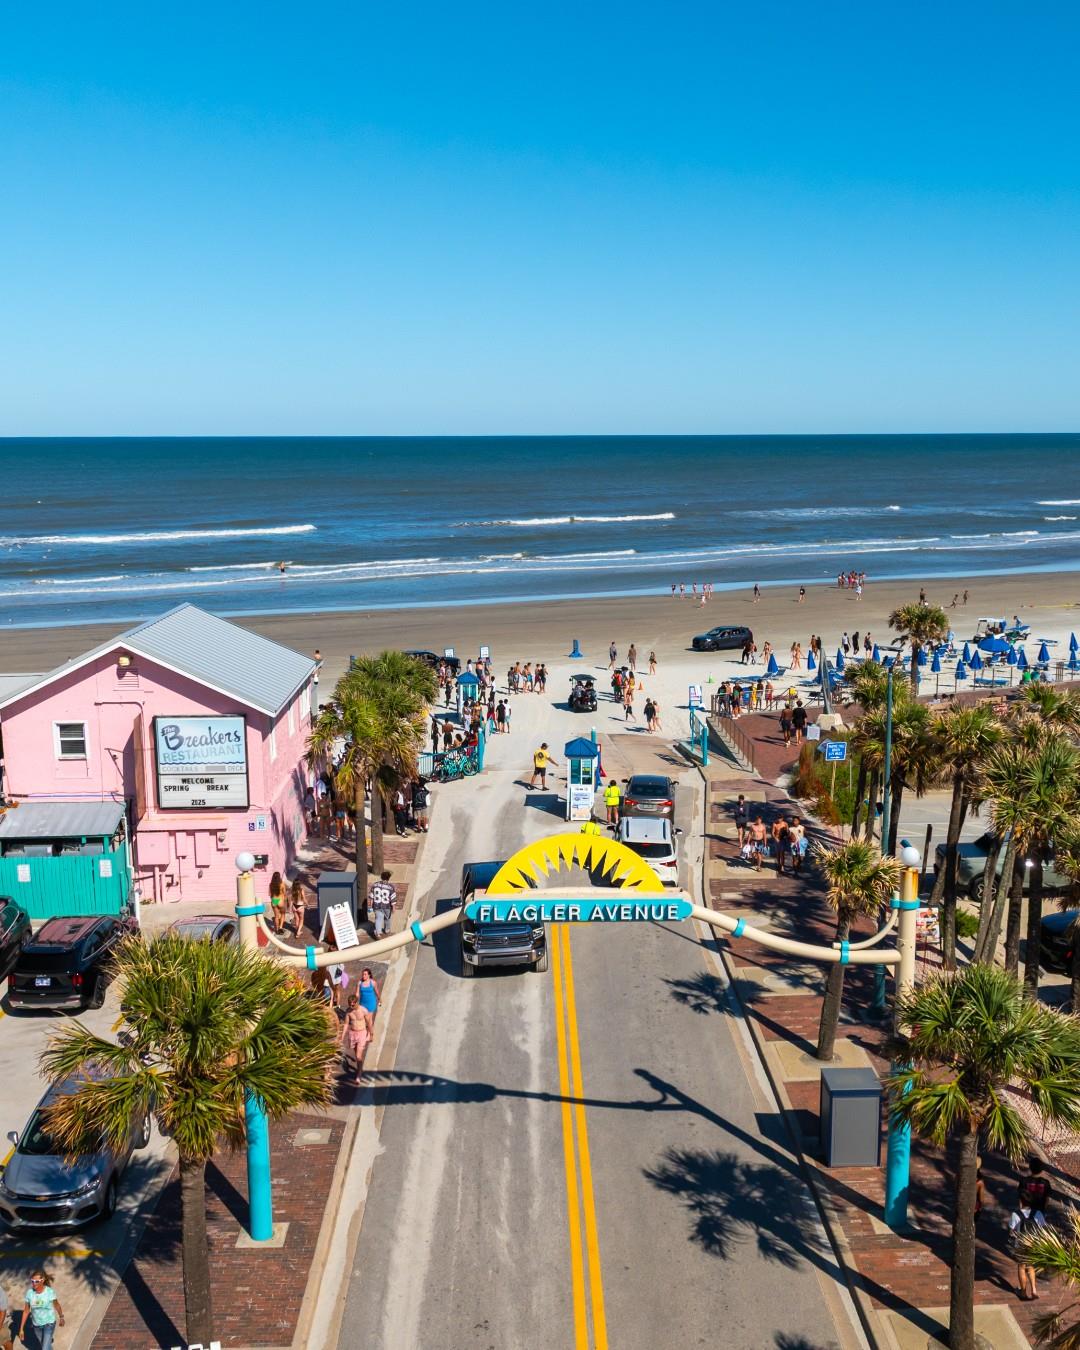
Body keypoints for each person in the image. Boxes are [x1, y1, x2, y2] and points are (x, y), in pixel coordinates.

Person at [1008, 1202, 1045, 1300]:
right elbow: (1043, 1228)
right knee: (1031, 1266)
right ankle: (1033, 1290)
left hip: (1021, 1245)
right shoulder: (1038, 1213)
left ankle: (1023, 1292)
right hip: (1033, 1244)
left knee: (1021, 1267)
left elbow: (1011, 1231)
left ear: (1020, 1201)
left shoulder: (1016, 1214)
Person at [19, 1272, 63, 1350]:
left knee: (45, 1348)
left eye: (36, 1281)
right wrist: (21, 1329)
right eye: (32, 1281)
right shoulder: (29, 1293)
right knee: (45, 1346)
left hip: (49, 1323)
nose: (34, 1283)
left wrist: (61, 1317)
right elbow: (26, 1311)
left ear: (42, 1281)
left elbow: (57, 1305)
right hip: (36, 1325)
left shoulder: (49, 1292)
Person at [339, 995, 372, 1086]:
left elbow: (369, 1023)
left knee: (358, 1056)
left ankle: (359, 1074)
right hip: (352, 1034)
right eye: (350, 1004)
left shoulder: (363, 1010)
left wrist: (371, 1034)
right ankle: (359, 1068)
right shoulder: (348, 1011)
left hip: (362, 1033)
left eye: (353, 1004)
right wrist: (342, 1036)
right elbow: (346, 1024)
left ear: (357, 1002)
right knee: (356, 1054)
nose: (351, 1006)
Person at [369, 871, 397, 938]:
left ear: (381, 877)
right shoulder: (391, 887)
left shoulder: (375, 885)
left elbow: (371, 896)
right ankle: (387, 930)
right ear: (388, 878)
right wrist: (393, 907)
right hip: (386, 906)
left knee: (378, 919)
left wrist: (371, 905)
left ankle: (378, 933)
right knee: (387, 919)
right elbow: (393, 898)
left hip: (376, 905)